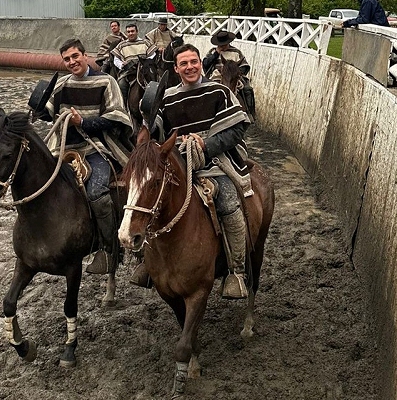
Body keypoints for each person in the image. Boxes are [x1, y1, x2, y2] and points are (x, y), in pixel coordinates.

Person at [144, 43, 252, 299]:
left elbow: (237, 129)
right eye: (184, 63)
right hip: (178, 163)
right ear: (177, 68)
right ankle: (147, 264)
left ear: (200, 63)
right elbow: (157, 132)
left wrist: (207, 144)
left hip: (217, 162)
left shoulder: (220, 91)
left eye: (193, 61)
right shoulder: (168, 97)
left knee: (227, 202)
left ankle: (236, 271)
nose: (190, 67)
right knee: (150, 198)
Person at [37, 38, 134, 274]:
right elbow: (48, 114)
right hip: (61, 148)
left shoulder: (106, 81)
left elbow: (117, 118)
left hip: (95, 148)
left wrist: (85, 122)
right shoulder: (61, 85)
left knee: (97, 192)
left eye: (75, 57)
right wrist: (39, 108)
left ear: (85, 55)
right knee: (38, 186)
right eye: (67, 59)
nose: (72, 62)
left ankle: (110, 249)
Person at [202, 30, 255, 117]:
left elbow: (244, 66)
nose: (222, 47)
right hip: (217, 76)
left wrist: (236, 72)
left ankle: (249, 113)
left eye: (224, 44)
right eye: (220, 45)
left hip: (234, 76)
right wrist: (216, 54)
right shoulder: (213, 52)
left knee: (247, 89)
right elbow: (205, 64)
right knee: (205, 89)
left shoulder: (236, 52)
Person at [110, 23, 157, 104]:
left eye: (132, 31)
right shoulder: (121, 45)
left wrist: (146, 61)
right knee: (121, 85)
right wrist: (121, 64)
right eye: (128, 32)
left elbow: (153, 54)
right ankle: (123, 107)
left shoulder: (145, 43)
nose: (130, 33)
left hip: (144, 70)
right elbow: (116, 60)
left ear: (137, 32)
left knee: (155, 83)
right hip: (128, 72)